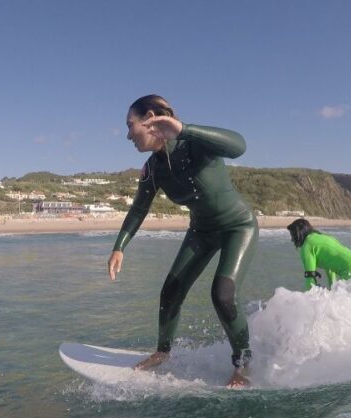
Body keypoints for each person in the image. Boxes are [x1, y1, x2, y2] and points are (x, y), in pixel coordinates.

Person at [107, 94, 258, 387]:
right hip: (201, 231)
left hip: (237, 227)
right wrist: (119, 247)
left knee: (223, 295)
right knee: (170, 293)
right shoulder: (153, 169)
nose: (127, 135)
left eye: (130, 125)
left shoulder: (195, 144)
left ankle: (244, 363)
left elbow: (239, 146)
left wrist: (184, 129)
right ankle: (162, 352)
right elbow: (139, 208)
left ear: (150, 118)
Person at [286, 218, 351, 290]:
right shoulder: (325, 238)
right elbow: (330, 269)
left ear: (299, 234)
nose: (292, 239)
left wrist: (310, 299)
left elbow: (310, 276)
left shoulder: (307, 245)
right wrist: (333, 290)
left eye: (292, 235)